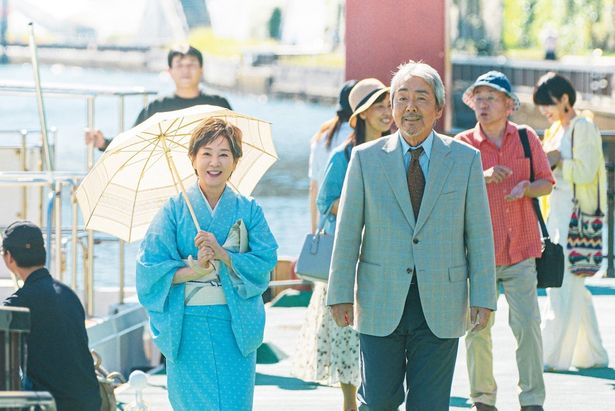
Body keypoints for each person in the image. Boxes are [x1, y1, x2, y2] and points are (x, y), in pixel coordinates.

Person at [327, 60, 497, 411]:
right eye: (401, 98)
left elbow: (479, 236)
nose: (410, 107)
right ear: (391, 108)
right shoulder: (364, 159)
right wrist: (339, 293)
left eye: (421, 98)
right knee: (377, 401)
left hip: (442, 301)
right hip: (379, 298)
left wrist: (484, 296)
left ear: (438, 108)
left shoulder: (465, 160)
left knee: (431, 404)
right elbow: (347, 234)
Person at [136, 117, 278, 410]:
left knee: (234, 402)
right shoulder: (174, 210)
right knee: (193, 403)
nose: (215, 162)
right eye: (207, 154)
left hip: (234, 322)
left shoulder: (248, 209)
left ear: (236, 161)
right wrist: (194, 271)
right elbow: (149, 270)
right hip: (188, 324)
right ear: (193, 159)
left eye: (224, 154)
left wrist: (225, 255)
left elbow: (266, 260)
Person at [457, 71, 555, 411]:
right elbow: (451, 195)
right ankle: (482, 400)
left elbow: (547, 182)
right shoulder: (463, 144)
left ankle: (532, 401)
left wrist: (527, 188)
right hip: (479, 255)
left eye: (491, 99)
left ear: (508, 106)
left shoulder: (527, 138)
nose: (482, 105)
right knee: (478, 329)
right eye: (478, 99)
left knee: (528, 326)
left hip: (522, 250)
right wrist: (481, 178)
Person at [292, 78, 392, 411]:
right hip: (349, 255)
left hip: (387, 254)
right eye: (380, 106)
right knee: (347, 333)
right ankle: (351, 403)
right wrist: (361, 207)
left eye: (389, 105)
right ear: (361, 113)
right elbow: (325, 200)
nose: (387, 112)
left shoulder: (399, 150)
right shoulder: (344, 154)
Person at [533, 72, 609, 371]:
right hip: (558, 215)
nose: (544, 111)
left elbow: (587, 171)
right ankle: (594, 355)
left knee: (562, 285)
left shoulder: (583, 127)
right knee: (571, 285)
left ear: (564, 98)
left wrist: (559, 161)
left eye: (547, 103)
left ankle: (552, 355)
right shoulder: (555, 130)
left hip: (575, 218)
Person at [1, 221, 101, 411]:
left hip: (52, 406)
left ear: (9, 257)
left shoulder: (16, 306)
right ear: (43, 254)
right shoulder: (68, 295)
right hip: (90, 401)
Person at [85, 45, 232, 151]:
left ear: (201, 70)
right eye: (179, 65)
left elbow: (235, 140)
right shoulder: (156, 108)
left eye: (191, 65)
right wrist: (103, 142)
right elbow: (132, 141)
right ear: (170, 71)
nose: (185, 70)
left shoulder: (218, 104)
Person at [308, 79, 357, 234]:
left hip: (326, 227)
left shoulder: (321, 137)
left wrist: (314, 230)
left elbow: (314, 188)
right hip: (350, 226)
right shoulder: (356, 139)